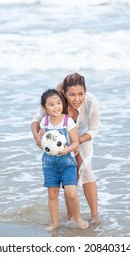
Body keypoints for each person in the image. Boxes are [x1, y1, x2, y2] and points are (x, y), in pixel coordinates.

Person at [32, 73, 100, 225]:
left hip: (83, 136)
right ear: (64, 93)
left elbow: (94, 129)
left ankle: (94, 216)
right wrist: (38, 138)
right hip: (59, 141)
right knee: (71, 177)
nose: (77, 99)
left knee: (86, 170)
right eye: (72, 95)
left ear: (86, 91)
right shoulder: (55, 101)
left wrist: (77, 142)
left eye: (81, 94)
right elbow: (36, 121)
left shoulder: (91, 101)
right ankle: (71, 216)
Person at [38, 89, 89, 232]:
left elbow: (75, 142)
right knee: (52, 194)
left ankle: (78, 218)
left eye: (59, 103)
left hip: (67, 164)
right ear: (44, 108)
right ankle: (54, 223)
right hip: (49, 165)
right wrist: (42, 143)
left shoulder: (68, 122)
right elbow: (43, 141)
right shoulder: (44, 122)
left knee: (71, 193)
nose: (56, 107)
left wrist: (68, 149)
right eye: (51, 104)